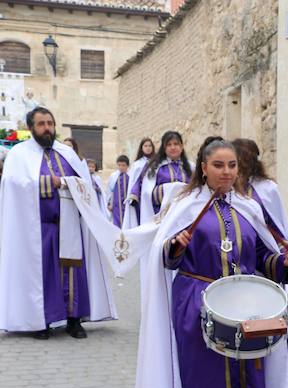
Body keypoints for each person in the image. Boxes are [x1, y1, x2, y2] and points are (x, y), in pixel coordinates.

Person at [128, 138, 288, 388]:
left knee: (247, 375)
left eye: (232, 166)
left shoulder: (248, 208)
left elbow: (260, 255)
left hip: (246, 303)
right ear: (204, 168)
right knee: (207, 384)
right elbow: (166, 257)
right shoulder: (186, 207)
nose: (227, 172)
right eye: (219, 165)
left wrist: (281, 263)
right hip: (196, 300)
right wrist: (175, 247)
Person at [0, 107, 117, 338]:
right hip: (37, 228)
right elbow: (12, 184)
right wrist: (46, 181)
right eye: (41, 124)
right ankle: (40, 322)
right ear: (31, 127)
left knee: (72, 272)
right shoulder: (19, 155)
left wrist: (69, 183)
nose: (47, 128)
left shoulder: (67, 153)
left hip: (69, 225)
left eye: (50, 123)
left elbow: (85, 184)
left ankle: (74, 320)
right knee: (41, 275)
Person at [232, 138, 288, 355]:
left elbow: (280, 224)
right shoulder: (231, 191)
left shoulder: (268, 189)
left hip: (267, 262)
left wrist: (284, 256)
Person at [127, 131, 191, 225]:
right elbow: (146, 193)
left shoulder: (191, 167)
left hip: (185, 217)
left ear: (181, 147)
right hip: (161, 219)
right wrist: (168, 190)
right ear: (164, 148)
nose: (173, 147)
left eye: (176, 144)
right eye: (169, 145)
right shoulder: (154, 167)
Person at [107, 154, 130, 225]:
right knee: (116, 223)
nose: (121, 167)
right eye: (119, 165)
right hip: (116, 205)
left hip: (126, 204)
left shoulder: (130, 176)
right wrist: (109, 203)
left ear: (127, 166)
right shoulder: (113, 176)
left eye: (123, 165)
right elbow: (110, 190)